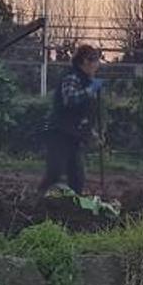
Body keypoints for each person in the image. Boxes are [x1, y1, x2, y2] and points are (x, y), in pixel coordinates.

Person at [38, 44, 103, 194]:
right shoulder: (72, 76)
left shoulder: (85, 81)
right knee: (55, 171)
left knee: (77, 176)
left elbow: (84, 113)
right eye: (95, 64)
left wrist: (92, 133)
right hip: (59, 132)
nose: (96, 68)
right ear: (86, 61)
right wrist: (91, 90)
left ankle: (75, 207)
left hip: (74, 134)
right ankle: (38, 198)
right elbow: (70, 99)